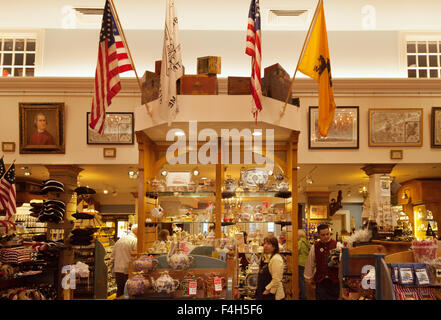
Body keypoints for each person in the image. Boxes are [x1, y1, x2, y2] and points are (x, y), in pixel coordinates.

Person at [304, 224, 340, 300]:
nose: (326, 236)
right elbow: (310, 263)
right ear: (319, 235)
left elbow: (343, 263)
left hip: (334, 281)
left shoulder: (337, 245)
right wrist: (308, 278)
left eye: (327, 234)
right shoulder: (315, 247)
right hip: (320, 281)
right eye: (323, 235)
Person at [110, 224, 138, 297]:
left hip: (118, 269)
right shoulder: (134, 240)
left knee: (120, 290)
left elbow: (112, 256)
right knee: (128, 291)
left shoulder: (120, 240)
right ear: (137, 231)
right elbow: (136, 255)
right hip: (128, 269)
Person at [255, 236, 285, 300]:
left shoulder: (276, 259)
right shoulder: (265, 257)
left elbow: (276, 279)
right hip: (262, 291)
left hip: (271, 294)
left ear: (274, 247)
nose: (265, 246)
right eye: (265, 243)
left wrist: (267, 290)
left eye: (268, 244)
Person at [298, 229, 310, 300]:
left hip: (300, 262)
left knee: (300, 280)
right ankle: (302, 293)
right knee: (302, 279)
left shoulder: (300, 242)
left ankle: (303, 295)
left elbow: (297, 250)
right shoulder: (306, 242)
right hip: (305, 262)